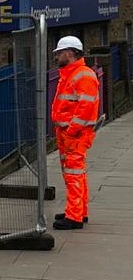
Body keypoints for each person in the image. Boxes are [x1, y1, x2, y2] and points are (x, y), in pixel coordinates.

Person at [51, 35, 99, 230]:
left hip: (74, 134)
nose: (56, 57)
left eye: (59, 53)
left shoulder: (83, 75)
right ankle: (78, 210)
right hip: (69, 132)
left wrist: (72, 130)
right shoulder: (71, 73)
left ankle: (74, 216)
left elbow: (85, 107)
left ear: (69, 53)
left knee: (73, 174)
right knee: (75, 173)